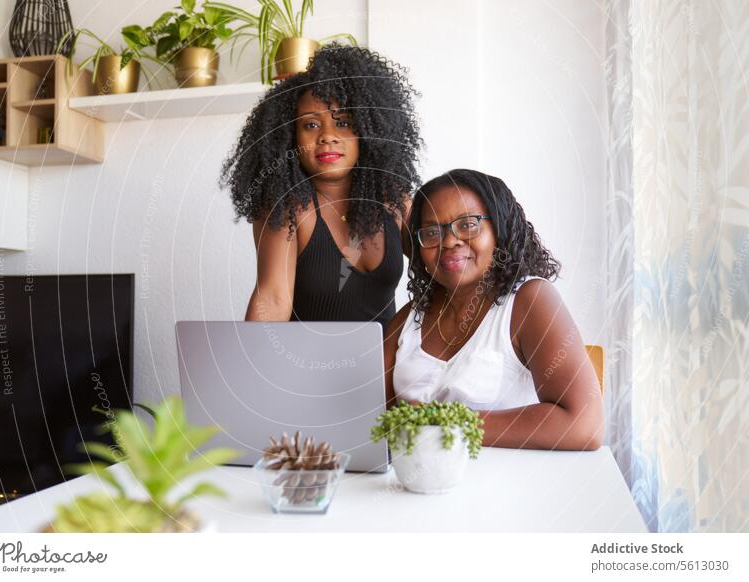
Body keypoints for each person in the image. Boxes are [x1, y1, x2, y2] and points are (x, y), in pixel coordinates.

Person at [383, 169, 604, 450]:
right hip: (417, 487)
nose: (450, 241)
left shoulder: (529, 300)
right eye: (432, 232)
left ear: (499, 230)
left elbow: (584, 425)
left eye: (468, 225)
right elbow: (371, 422)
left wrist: (443, 423)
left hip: (508, 488)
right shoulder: (410, 317)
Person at [221, 44, 422, 325]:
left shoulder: (394, 200)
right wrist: (250, 362)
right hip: (307, 366)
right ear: (292, 138)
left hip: (386, 365)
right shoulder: (288, 209)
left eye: (342, 123)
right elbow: (273, 298)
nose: (327, 136)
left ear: (367, 129)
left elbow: (440, 271)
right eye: (311, 125)